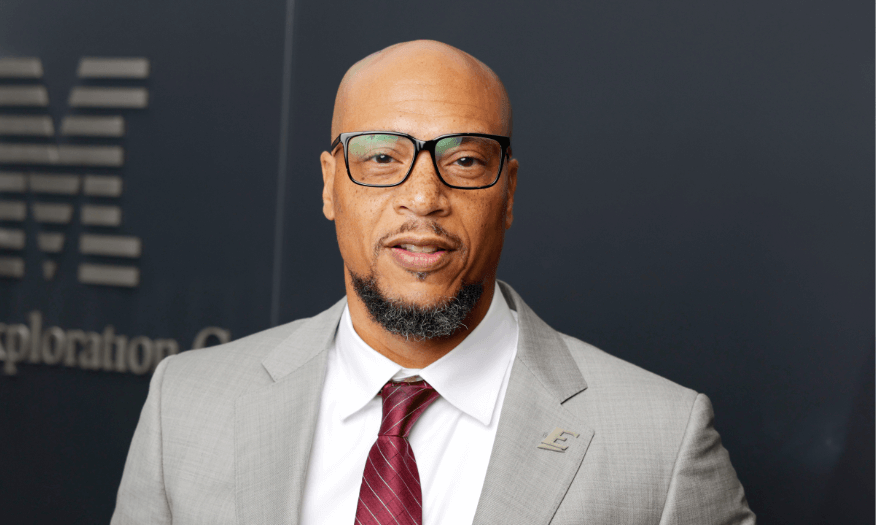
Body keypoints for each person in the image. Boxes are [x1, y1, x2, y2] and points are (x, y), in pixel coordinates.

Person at [111, 40, 754, 524]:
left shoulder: (661, 444)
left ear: (508, 193)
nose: (423, 198)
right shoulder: (187, 406)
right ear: (331, 185)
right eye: (383, 158)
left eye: (466, 161)